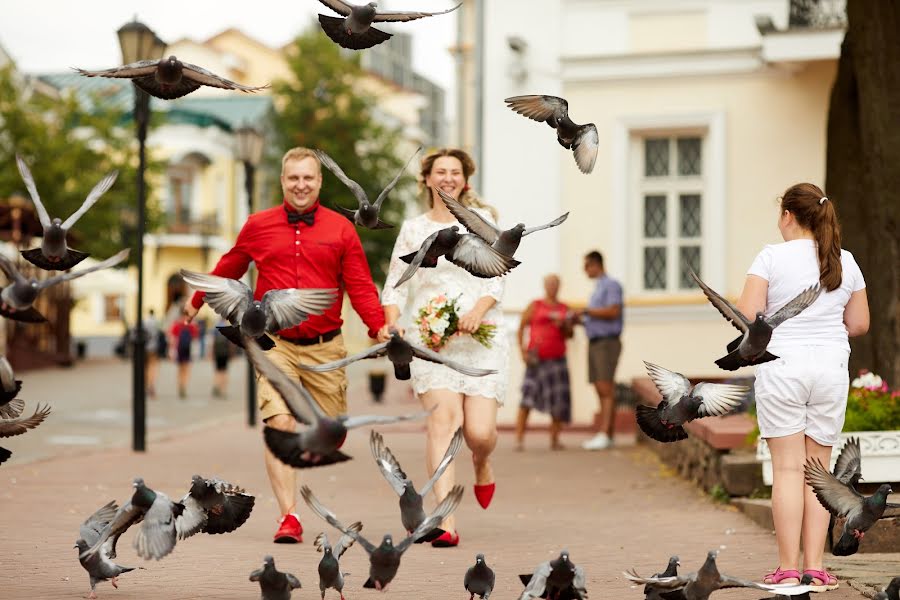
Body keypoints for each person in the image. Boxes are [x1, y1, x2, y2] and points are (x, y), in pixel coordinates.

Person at [183, 147, 387, 544]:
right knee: (280, 425)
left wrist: (378, 326)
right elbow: (229, 267)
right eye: (293, 178)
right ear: (282, 181)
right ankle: (289, 517)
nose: (300, 185)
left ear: (319, 182)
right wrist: (194, 303)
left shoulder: (341, 229)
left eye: (308, 178)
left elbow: (360, 285)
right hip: (273, 346)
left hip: (327, 349)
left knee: (331, 430)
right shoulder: (258, 225)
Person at [735, 183, 868, 589]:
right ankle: (815, 566)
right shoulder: (844, 260)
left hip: (782, 369)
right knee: (818, 471)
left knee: (789, 469)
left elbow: (747, 315)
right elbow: (859, 323)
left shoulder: (770, 257)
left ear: (788, 216)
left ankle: (787, 568)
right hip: (829, 370)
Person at [381, 148, 508, 548]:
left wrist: (478, 309)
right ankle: (445, 521)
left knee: (480, 433)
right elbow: (395, 284)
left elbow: (497, 278)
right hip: (430, 340)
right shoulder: (413, 229)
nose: (448, 178)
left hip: (479, 339)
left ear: (465, 180)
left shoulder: (485, 223)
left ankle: (482, 462)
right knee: (443, 422)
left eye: (455, 172)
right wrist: (391, 320)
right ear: (428, 180)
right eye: (441, 172)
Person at [515, 274, 573, 451]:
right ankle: (519, 439)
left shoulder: (565, 308)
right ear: (544, 286)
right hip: (536, 359)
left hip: (557, 360)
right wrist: (522, 350)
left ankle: (555, 440)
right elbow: (521, 326)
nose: (552, 287)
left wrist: (563, 325)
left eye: (555, 284)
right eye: (549, 284)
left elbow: (570, 335)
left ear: (559, 286)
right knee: (527, 398)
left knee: (558, 401)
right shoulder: (535, 305)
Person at [577, 250, 623, 451]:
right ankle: (607, 433)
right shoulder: (597, 288)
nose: (585, 270)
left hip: (607, 342)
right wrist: (579, 320)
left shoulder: (611, 285)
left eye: (587, 266)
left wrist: (586, 311)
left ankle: (605, 433)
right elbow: (596, 316)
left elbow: (614, 311)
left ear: (596, 265)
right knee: (599, 387)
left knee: (605, 388)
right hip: (595, 341)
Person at [169, 318, 198, 399]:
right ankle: (184, 386)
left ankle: (180, 386)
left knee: (180, 369)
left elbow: (173, 339)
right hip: (188, 350)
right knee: (186, 369)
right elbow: (195, 339)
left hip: (179, 350)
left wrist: (171, 352)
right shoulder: (191, 325)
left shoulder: (177, 324)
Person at [211, 319, 232, 398]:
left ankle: (217, 386)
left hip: (218, 352)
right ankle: (224, 390)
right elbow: (230, 342)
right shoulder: (228, 327)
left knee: (218, 370)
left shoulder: (217, 326)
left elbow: (213, 340)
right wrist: (231, 354)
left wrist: (212, 352)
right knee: (225, 371)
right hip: (225, 352)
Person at [144, 309, 161, 398]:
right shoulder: (156, 322)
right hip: (154, 347)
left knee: (145, 367)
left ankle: (146, 386)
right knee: (152, 367)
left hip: (144, 347)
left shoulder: (145, 321)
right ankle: (151, 386)